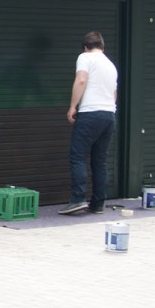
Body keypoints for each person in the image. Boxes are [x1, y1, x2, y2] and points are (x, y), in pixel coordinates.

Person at [59, 31, 118, 216]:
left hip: (90, 113)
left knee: (78, 157)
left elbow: (81, 79)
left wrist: (72, 106)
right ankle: (98, 203)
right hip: (109, 115)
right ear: (102, 47)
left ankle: (77, 200)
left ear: (86, 47)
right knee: (99, 161)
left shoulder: (85, 57)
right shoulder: (110, 65)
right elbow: (114, 93)